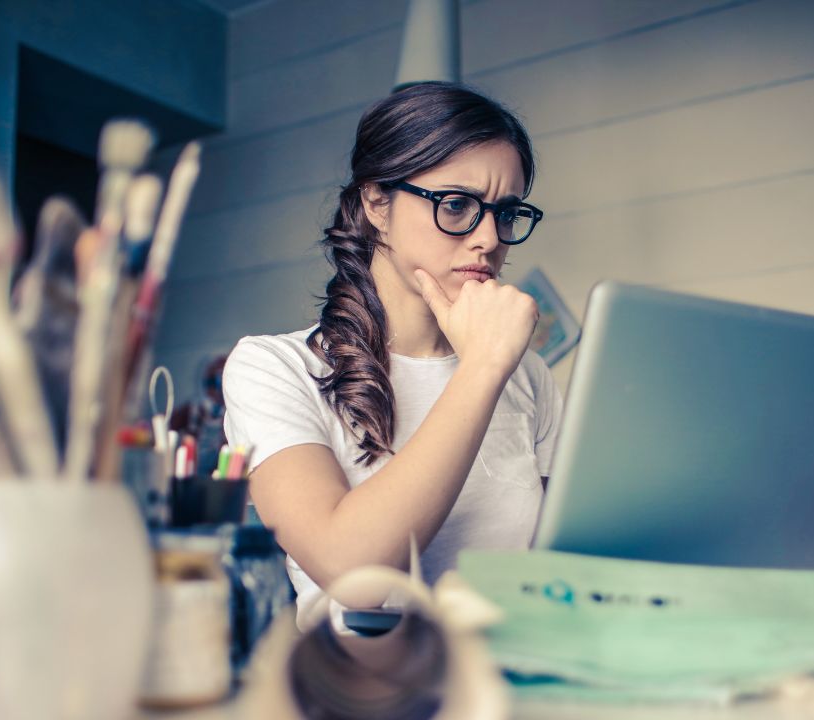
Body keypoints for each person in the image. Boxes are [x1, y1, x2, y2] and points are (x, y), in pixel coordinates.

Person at [221, 82, 561, 630]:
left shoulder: (529, 378)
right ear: (376, 203)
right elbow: (354, 573)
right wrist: (481, 368)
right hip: (358, 697)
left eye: (506, 212)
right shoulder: (272, 368)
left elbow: (560, 572)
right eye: (456, 205)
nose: (488, 239)